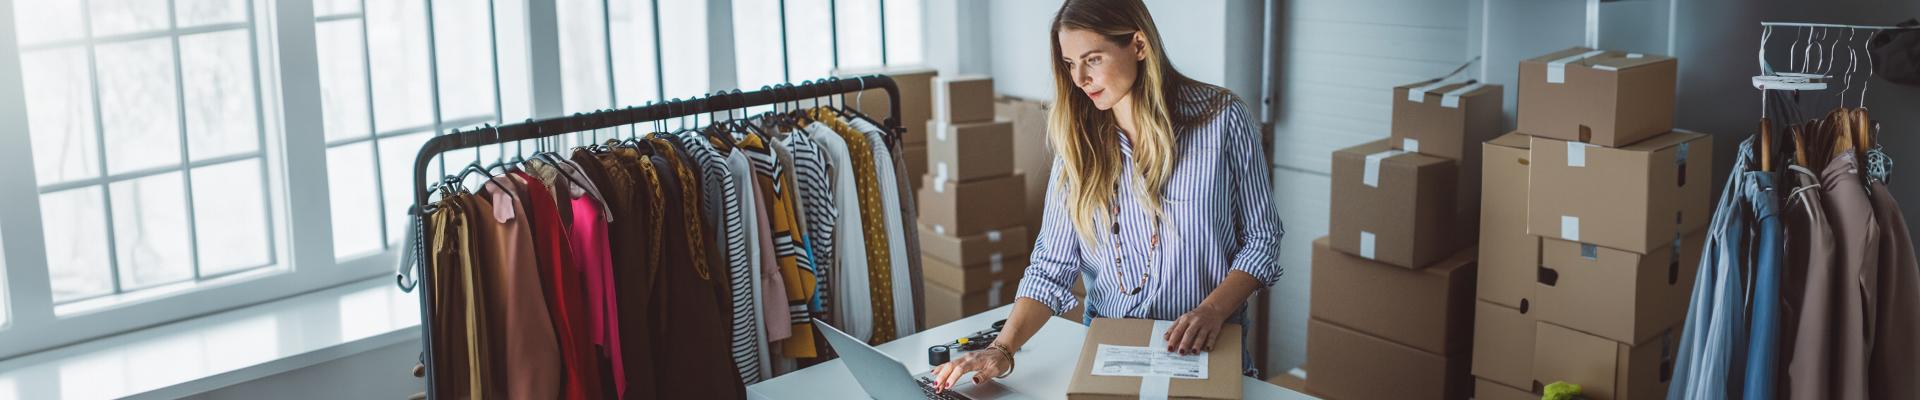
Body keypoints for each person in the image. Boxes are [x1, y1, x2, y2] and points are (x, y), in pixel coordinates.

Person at [929, 0, 1284, 392]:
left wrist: (1212, 310)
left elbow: (1263, 238)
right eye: (1069, 63)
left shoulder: (1222, 119)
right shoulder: (1078, 145)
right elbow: (1051, 267)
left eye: (1092, 59)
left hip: (1206, 351)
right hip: (1111, 356)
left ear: (1138, 45)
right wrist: (1002, 349)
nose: (1079, 78)